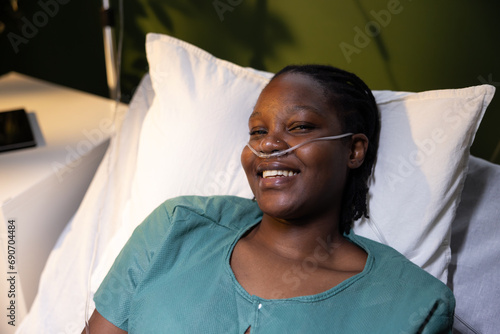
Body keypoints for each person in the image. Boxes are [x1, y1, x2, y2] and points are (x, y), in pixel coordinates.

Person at [83, 65, 455, 333]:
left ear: (354, 151)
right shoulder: (177, 228)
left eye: (300, 127)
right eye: (258, 131)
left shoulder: (410, 305)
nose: (268, 144)